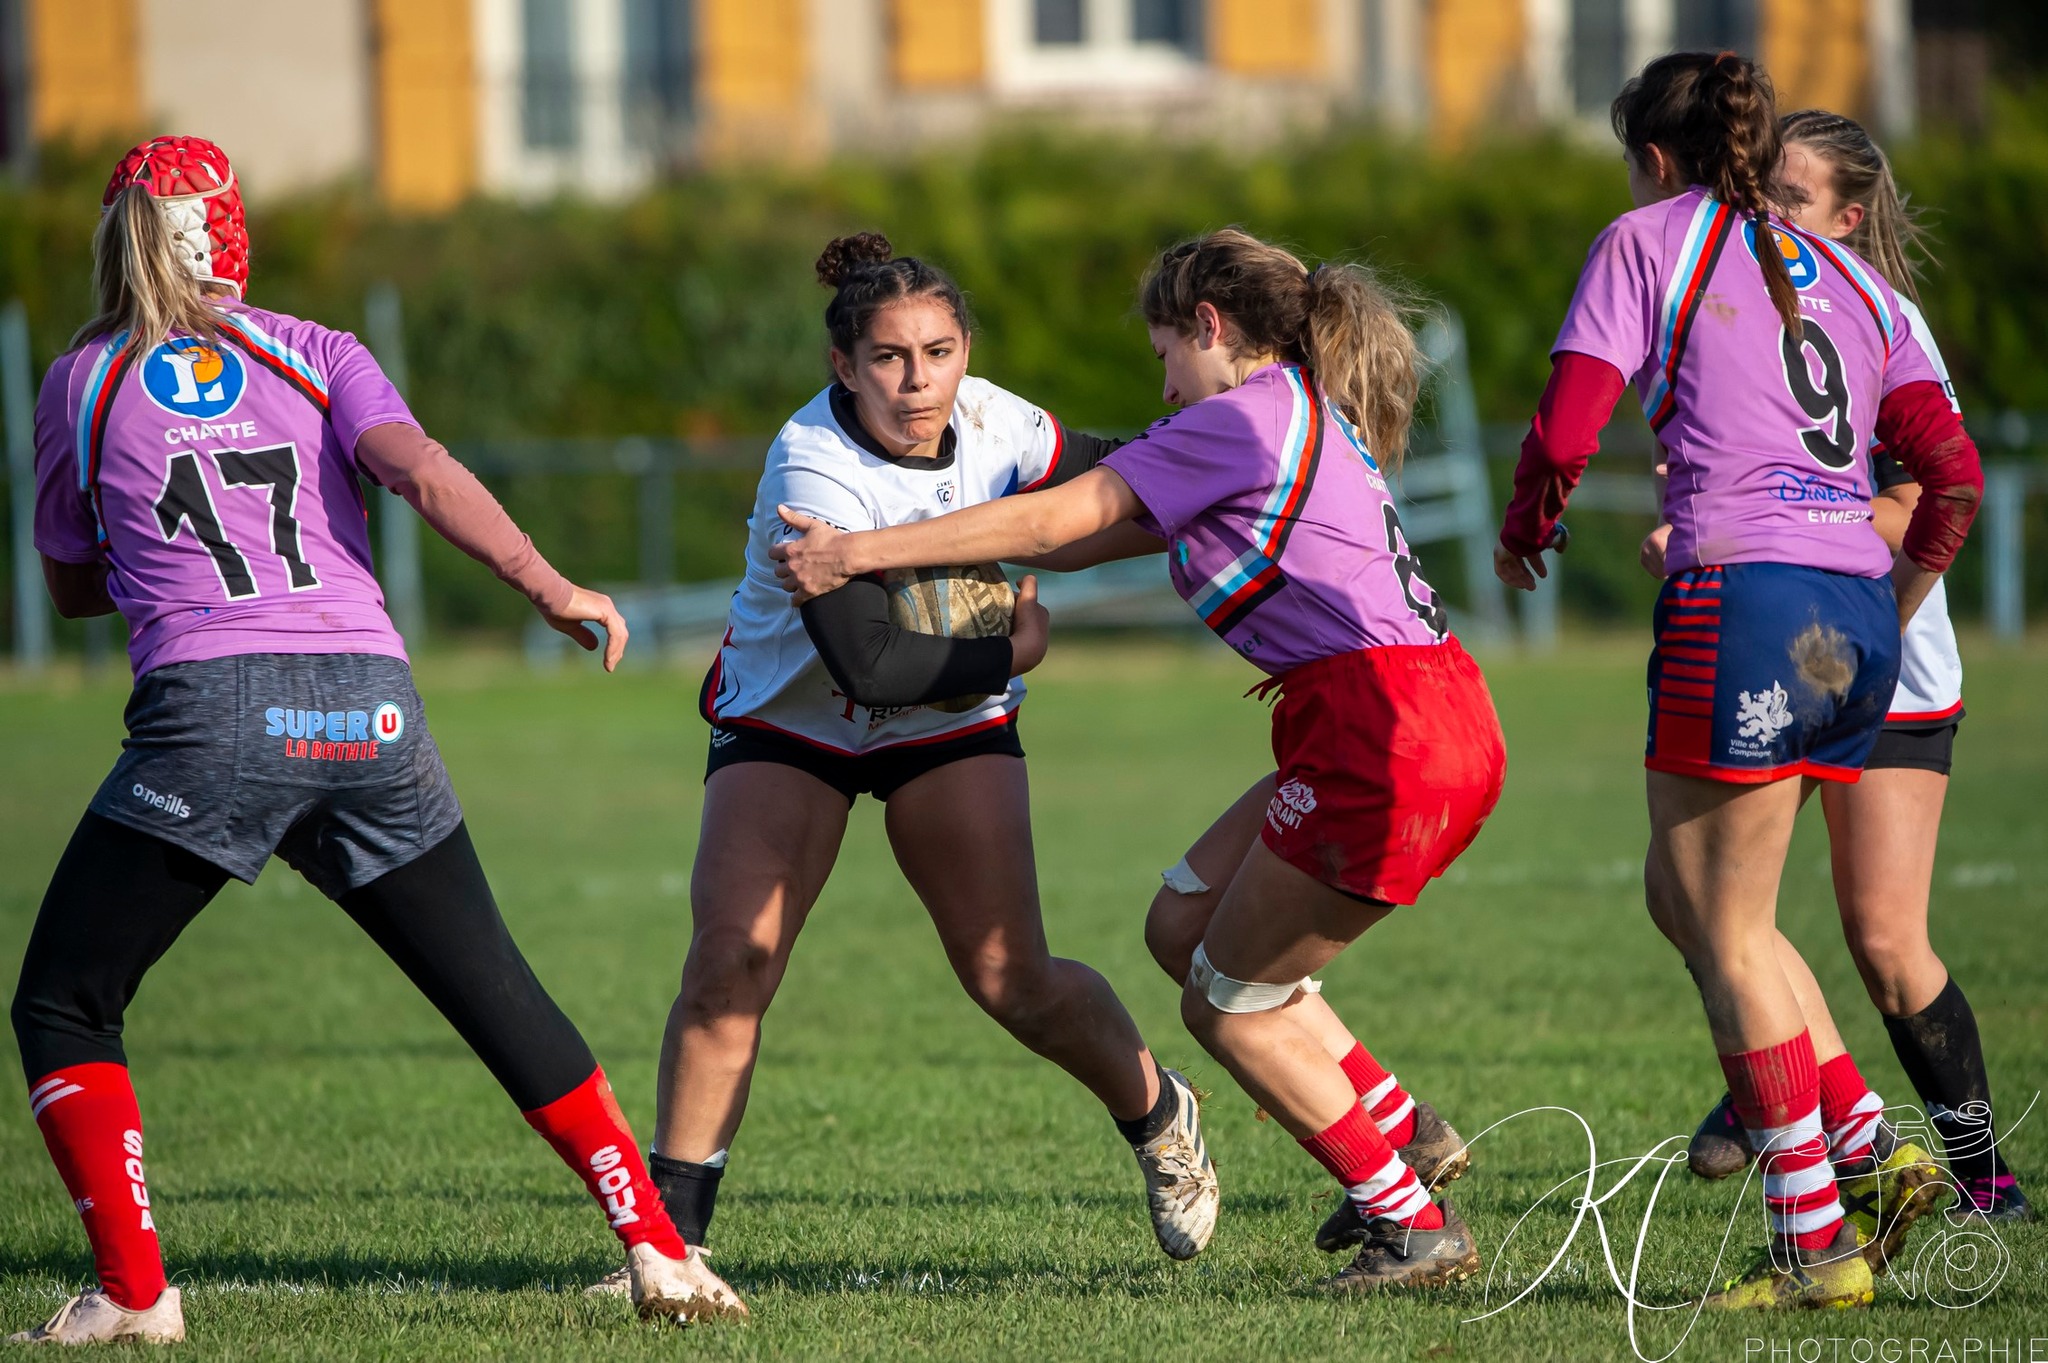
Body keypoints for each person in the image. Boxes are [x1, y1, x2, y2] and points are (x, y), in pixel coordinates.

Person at [9, 136, 743, 1345]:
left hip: (214, 717)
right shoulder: (315, 351)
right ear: (236, 230)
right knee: (493, 987)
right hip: (371, 703)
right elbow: (421, 470)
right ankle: (658, 1249)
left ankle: (135, 1296)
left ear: (116, 237)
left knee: (66, 1003)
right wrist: (550, 586)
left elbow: (74, 582)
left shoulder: (79, 382)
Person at [773, 228, 1508, 1294]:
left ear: (1208, 328)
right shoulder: (1292, 405)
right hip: (1411, 709)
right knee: (1181, 928)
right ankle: (1406, 1130)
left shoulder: (1231, 419)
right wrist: (945, 527)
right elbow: (1072, 537)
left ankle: (1406, 1216)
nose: (1159, 379)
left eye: (1163, 349)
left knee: (1224, 1005)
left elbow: (1052, 518)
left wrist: (855, 551)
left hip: (1378, 728)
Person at [586, 233, 1218, 1303]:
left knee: (1010, 980)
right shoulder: (812, 462)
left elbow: (1113, 470)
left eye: (937, 350)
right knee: (729, 963)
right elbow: (869, 665)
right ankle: (669, 1250)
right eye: (888, 358)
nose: (917, 381)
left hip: (948, 722)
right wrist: (1012, 652)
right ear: (843, 365)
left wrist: (1220, 464)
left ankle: (1158, 1116)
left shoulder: (993, 419)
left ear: (964, 349)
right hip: (798, 717)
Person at [1493, 55, 1984, 1310]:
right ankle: (1868, 1150)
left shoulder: (1650, 237)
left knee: (1725, 926)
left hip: (1746, 603)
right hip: (1847, 621)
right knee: (1694, 896)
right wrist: (1895, 598)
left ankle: (1815, 1240)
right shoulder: (1862, 284)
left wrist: (1526, 524)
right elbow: (1953, 475)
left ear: (1654, 158)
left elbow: (1562, 428)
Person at [1666, 109, 2030, 1224]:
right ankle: (1817, 1104)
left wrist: (1843, 576)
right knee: (1707, 899)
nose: (1764, 208)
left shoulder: (1880, 313)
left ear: (1847, 215)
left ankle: (1979, 1176)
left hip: (1878, 659)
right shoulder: (1740, 298)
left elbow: (1927, 497)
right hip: (1790, 637)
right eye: (1758, 187)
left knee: (1880, 939)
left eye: (1791, 193)